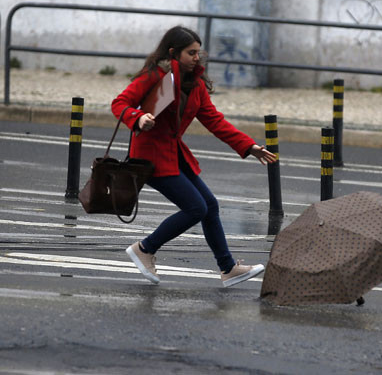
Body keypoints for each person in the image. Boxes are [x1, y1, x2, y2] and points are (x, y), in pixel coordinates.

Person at [112, 26, 277, 287]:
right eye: (191, 53)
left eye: (199, 53)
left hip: (174, 154)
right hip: (150, 157)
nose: (197, 58)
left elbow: (215, 122)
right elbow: (119, 103)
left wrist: (249, 146)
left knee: (209, 206)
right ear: (173, 52)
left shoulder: (195, 84)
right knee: (195, 208)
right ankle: (145, 248)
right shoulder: (155, 75)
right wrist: (139, 117)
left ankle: (227, 268)